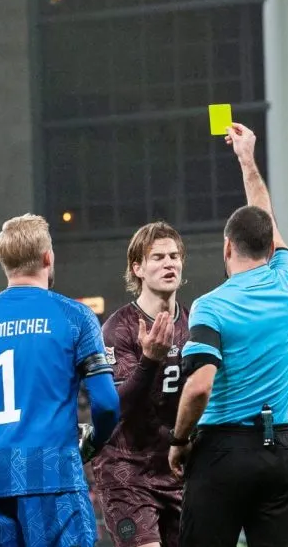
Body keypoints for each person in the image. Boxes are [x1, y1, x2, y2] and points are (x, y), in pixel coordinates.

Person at [0, 213, 120, 547]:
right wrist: (91, 443)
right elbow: (107, 405)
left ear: (4, 261)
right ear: (48, 257)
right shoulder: (75, 317)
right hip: (53, 474)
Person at [167, 123, 288, 547]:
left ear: (227, 248)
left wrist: (178, 441)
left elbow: (198, 387)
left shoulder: (212, 305)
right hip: (281, 447)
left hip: (223, 450)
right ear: (270, 249)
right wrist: (247, 160)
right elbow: (267, 221)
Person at [92, 221, 190, 547]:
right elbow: (115, 406)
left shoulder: (194, 325)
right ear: (138, 268)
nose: (169, 263)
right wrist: (149, 361)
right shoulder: (117, 330)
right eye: (158, 257)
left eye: (174, 256)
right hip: (127, 472)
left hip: (178, 472)